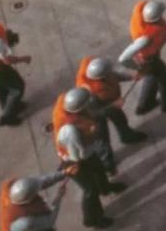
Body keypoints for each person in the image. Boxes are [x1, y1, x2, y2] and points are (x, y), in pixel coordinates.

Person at [52, 86, 125, 229]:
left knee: (99, 169)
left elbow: (91, 115)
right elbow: (79, 154)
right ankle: (93, 220)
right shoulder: (70, 131)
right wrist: (94, 134)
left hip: (85, 151)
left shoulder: (68, 106)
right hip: (74, 161)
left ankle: (106, 188)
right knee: (90, 190)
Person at [75, 56, 148, 172]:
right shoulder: (88, 94)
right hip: (96, 115)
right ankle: (107, 163)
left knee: (121, 120)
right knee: (102, 139)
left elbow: (114, 76)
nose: (110, 74)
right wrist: (113, 105)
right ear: (100, 78)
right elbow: (95, 113)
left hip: (110, 102)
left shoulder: (102, 73)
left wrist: (131, 77)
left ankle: (127, 136)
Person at [118, 0, 166, 116]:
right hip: (149, 60)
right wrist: (138, 67)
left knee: (152, 78)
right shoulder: (144, 39)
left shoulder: (140, 13)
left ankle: (145, 105)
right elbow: (123, 58)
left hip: (150, 59)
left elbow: (157, 37)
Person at [0, 173, 65, 231]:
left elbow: (40, 183)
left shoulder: (15, 187)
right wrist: (59, 197)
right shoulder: (24, 222)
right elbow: (49, 220)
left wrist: (63, 173)